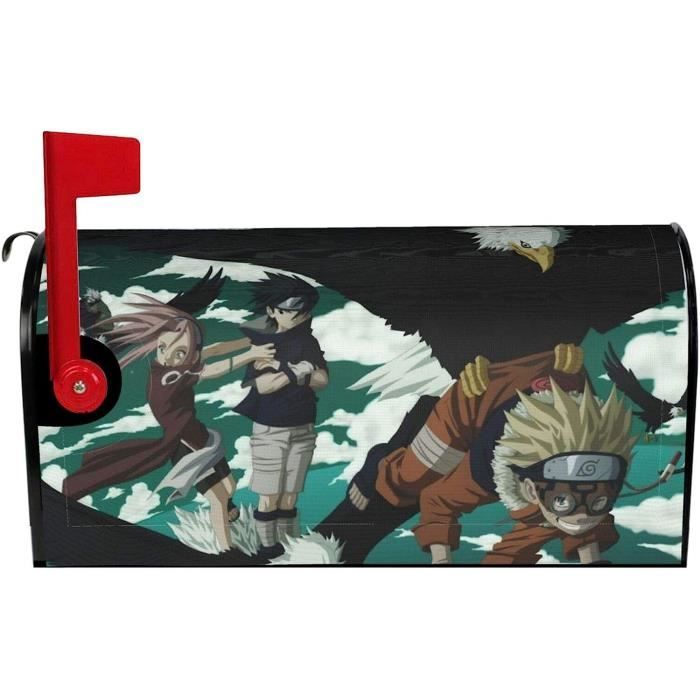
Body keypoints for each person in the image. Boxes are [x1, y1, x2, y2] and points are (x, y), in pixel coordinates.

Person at [351, 345, 635, 564]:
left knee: (550, 519)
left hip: (548, 377)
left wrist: (591, 561)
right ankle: (378, 461)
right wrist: (441, 560)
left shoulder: (590, 469)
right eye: (564, 500)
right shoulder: (483, 473)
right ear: (529, 488)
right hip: (473, 399)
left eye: (598, 501)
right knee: (409, 479)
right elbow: (437, 499)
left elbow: (581, 505)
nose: (583, 517)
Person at [62, 283, 275, 553]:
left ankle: (228, 519)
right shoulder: (170, 374)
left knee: (229, 488)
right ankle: (227, 553)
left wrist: (248, 341)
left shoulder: (179, 363)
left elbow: (213, 351)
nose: (169, 356)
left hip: (200, 436)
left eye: (180, 352)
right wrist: (251, 354)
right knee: (218, 498)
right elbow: (215, 369)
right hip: (182, 444)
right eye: (163, 348)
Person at [234, 273, 328, 559]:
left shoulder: (308, 341)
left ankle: (290, 548)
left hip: (304, 426)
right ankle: (267, 549)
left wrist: (287, 371)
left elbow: (322, 379)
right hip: (270, 430)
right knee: (270, 495)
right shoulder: (264, 342)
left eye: (304, 311)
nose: (299, 316)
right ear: (272, 310)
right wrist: (297, 370)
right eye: (291, 310)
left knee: (290, 495)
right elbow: (265, 385)